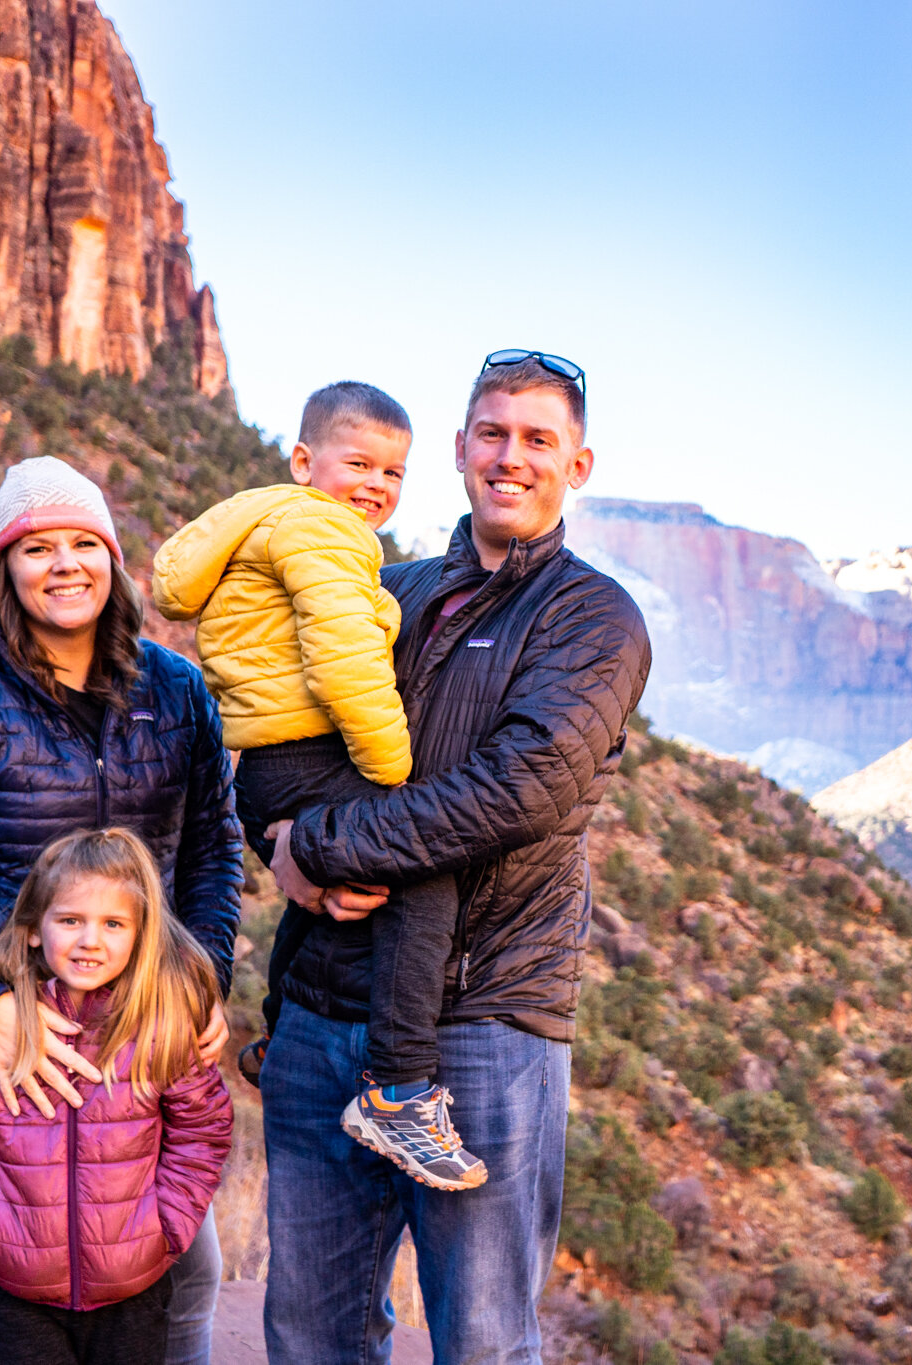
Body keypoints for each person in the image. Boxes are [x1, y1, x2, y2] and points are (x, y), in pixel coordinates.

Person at [260, 351, 652, 1363]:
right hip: (324, 1010)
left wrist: (321, 841)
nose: (509, 458)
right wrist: (273, 838)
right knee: (310, 1330)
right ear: (459, 449)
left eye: (536, 440)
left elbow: (517, 789)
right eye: (492, 434)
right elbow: (272, 726)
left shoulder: (591, 618)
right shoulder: (381, 593)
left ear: (579, 463)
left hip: (485, 1027)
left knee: (479, 1337)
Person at [0, 456, 242, 1365]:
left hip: (130, 1032)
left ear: (113, 558)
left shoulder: (175, 692)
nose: (64, 564)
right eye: (37, 547)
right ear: (5, 567)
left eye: (83, 543)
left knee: (185, 1281)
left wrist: (200, 980)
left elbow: (214, 853)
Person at [152, 381, 483, 1191]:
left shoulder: (269, 520)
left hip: (266, 761)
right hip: (306, 749)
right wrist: (393, 771)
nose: (376, 485)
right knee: (422, 865)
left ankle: (271, 1033)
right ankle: (400, 1089)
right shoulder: (325, 532)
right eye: (359, 462)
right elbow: (345, 659)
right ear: (306, 460)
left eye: (394, 473)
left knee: (323, 887)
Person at [0, 828, 235, 1365]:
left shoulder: (161, 1026)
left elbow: (203, 1132)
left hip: (135, 1289)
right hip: (23, 1295)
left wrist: (168, 1227)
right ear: (34, 930)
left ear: (140, 935)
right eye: (71, 921)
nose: (90, 941)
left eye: (113, 924)